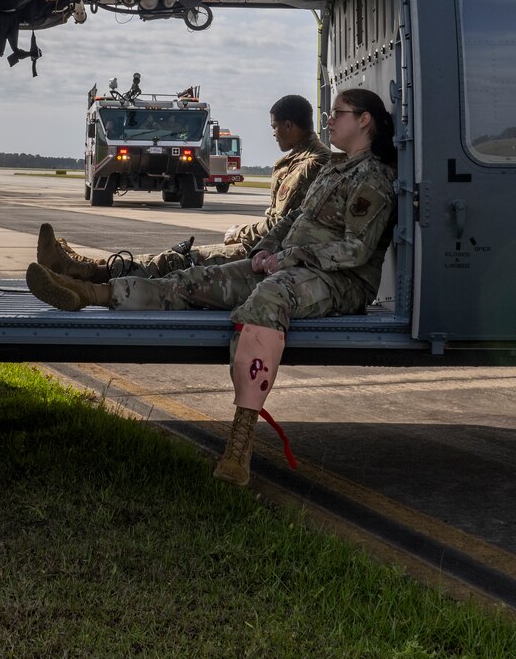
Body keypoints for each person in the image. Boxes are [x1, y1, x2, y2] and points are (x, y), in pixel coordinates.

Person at [27, 87, 399, 484]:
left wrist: (286, 258)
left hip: (339, 281)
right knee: (194, 279)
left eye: (338, 113)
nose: (330, 120)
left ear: (364, 120)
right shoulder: (334, 168)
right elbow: (294, 222)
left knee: (266, 301)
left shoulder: (373, 176)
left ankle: (240, 445)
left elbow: (356, 250)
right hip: (290, 264)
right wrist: (267, 249)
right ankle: (90, 293)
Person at [33, 94, 329, 282]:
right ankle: (87, 269)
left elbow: (283, 225)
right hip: (267, 251)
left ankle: (88, 275)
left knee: (183, 262)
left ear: (290, 126)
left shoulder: (311, 164)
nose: (274, 134)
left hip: (270, 256)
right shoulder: (304, 159)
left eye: (275, 127)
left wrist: (240, 232)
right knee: (181, 258)